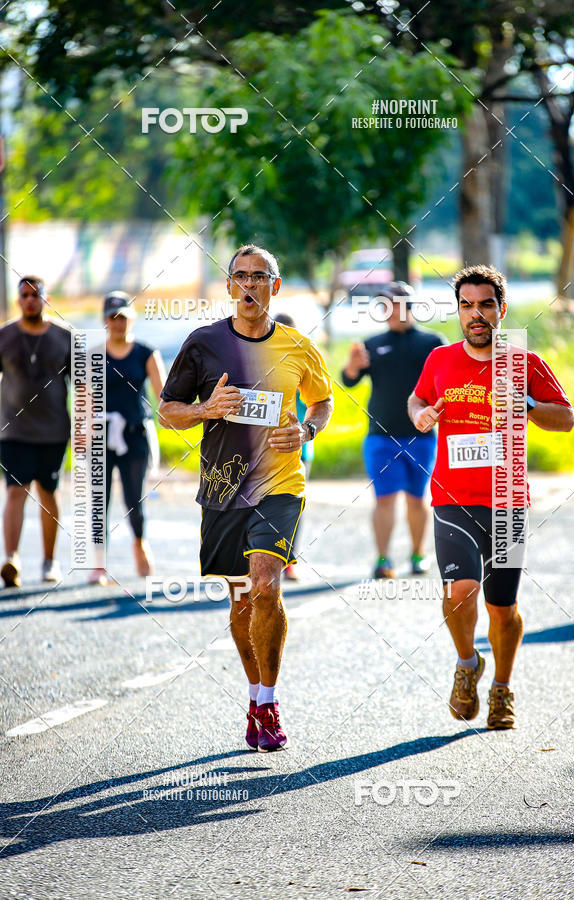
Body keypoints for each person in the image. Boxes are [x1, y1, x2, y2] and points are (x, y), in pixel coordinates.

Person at [159, 244, 333, 751]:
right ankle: (255, 694)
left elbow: (322, 404)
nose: (250, 285)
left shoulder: (299, 346)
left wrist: (305, 431)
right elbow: (169, 410)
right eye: (241, 277)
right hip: (222, 485)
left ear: (275, 287)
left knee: (265, 585)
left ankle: (269, 700)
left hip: (280, 484)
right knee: (240, 599)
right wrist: (207, 407)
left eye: (260, 277)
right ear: (230, 286)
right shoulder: (203, 343)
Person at [408, 265, 574, 729]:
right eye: (466, 305)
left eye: (484, 305)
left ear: (501, 310)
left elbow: (565, 419)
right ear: (458, 312)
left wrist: (527, 406)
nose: (475, 314)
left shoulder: (525, 363)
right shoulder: (439, 360)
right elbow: (417, 400)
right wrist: (422, 416)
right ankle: (467, 665)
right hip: (452, 497)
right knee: (459, 593)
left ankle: (502, 687)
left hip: (507, 501)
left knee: (502, 608)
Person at [342, 282, 445, 578]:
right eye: (383, 305)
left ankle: (417, 555)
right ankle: (383, 560)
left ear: (410, 306)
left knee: (416, 498)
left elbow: (446, 383)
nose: (388, 311)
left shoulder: (432, 342)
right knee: (384, 499)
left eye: (394, 304)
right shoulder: (372, 343)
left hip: (421, 437)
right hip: (380, 437)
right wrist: (351, 366)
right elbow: (349, 380)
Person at [87, 291, 166, 585]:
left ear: (131, 319)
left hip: (134, 434)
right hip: (101, 433)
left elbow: (163, 396)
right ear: (105, 320)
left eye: (123, 317)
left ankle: (140, 542)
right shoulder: (93, 354)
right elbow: (84, 398)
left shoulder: (145, 352)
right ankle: (98, 562)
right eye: (113, 318)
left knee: (135, 497)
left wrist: (172, 419)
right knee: (98, 499)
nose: (118, 323)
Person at [0, 276, 71, 587]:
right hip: (12, 429)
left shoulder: (65, 337)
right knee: (16, 490)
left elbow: (84, 385)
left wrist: (88, 424)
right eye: (25, 295)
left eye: (36, 295)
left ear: (46, 298)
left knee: (47, 492)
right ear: (18, 300)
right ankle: (11, 559)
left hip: (54, 430)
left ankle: (49, 561)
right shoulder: (4, 336)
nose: (30, 300)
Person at [274, 312, 314, 581]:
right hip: (264, 446)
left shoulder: (304, 362)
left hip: (299, 448)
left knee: (292, 505)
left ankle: (288, 560)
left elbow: (319, 401)